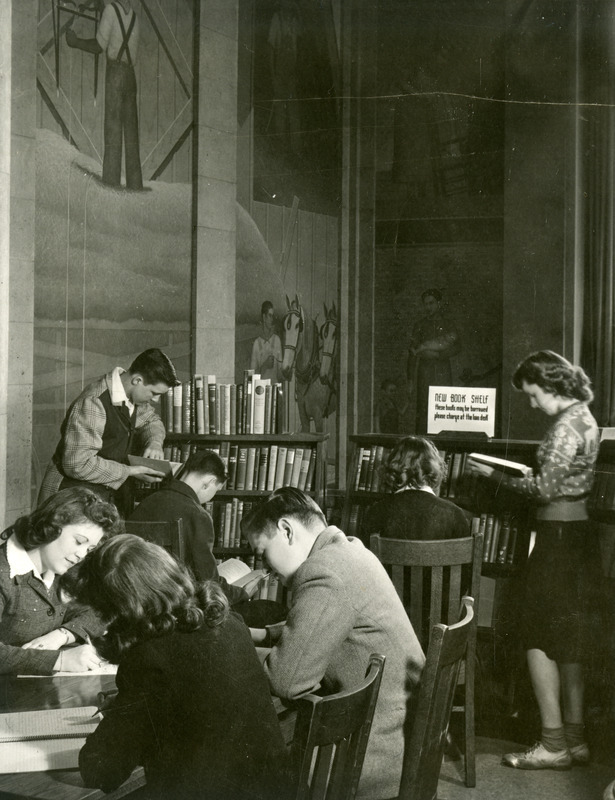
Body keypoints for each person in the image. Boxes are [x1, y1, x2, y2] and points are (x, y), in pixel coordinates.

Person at [62, 534, 293, 800]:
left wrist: (121, 715)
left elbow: (101, 772)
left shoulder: (148, 656)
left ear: (121, 609)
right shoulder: (229, 622)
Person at [241, 487, 425, 800]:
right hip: (404, 737)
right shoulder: (348, 550)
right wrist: (263, 635)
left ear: (286, 530)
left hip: (370, 753)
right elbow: (330, 619)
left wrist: (233, 648)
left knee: (248, 770)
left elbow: (287, 680)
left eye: (264, 554)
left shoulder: (323, 571)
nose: (268, 570)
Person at [467, 350, 601, 770]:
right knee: (571, 640)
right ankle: (576, 740)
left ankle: (552, 742)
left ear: (552, 386)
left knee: (537, 636)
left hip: (556, 540)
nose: (532, 403)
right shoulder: (585, 418)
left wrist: (494, 476)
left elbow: (544, 491)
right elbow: (561, 481)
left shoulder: (564, 428)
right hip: (578, 539)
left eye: (533, 394)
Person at [38, 348, 178, 514]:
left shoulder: (130, 397)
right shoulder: (94, 402)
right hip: (68, 498)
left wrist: (154, 442)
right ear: (137, 380)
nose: (155, 400)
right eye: (154, 393)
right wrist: (130, 471)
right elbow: (77, 464)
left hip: (100, 496)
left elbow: (151, 421)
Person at [0, 487, 121, 675]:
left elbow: (101, 612)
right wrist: (60, 660)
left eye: (89, 549)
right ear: (51, 525)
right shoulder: (4, 572)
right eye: (79, 541)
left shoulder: (59, 567)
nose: (81, 554)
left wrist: (62, 635)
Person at [128, 449, 248, 604]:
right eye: (215, 490)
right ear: (209, 483)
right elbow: (208, 582)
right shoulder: (198, 515)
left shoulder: (146, 502)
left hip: (135, 599)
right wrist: (242, 593)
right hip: (175, 604)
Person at [66, 0, 143, 190]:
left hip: (115, 74)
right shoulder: (134, 17)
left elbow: (98, 46)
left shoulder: (110, 10)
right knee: (132, 134)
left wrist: (75, 42)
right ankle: (135, 185)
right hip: (130, 77)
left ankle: (111, 183)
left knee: (113, 129)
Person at [362, 435, 470, 543]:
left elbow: (365, 559)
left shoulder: (375, 512)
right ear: (432, 469)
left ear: (394, 469)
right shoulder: (455, 514)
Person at [407, 288, 460, 434]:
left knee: (444, 406)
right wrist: (410, 379)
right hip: (425, 371)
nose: (428, 307)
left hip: (443, 371)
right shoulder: (419, 325)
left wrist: (438, 355)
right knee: (424, 406)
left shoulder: (448, 323)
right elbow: (412, 352)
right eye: (426, 304)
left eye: (431, 303)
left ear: (439, 303)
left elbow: (457, 347)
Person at [250, 300, 283, 383]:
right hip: (260, 391)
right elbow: (251, 376)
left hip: (274, 391)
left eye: (273, 316)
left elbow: (280, 374)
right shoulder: (257, 344)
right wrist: (265, 366)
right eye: (270, 316)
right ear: (264, 317)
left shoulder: (277, 340)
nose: (272, 319)